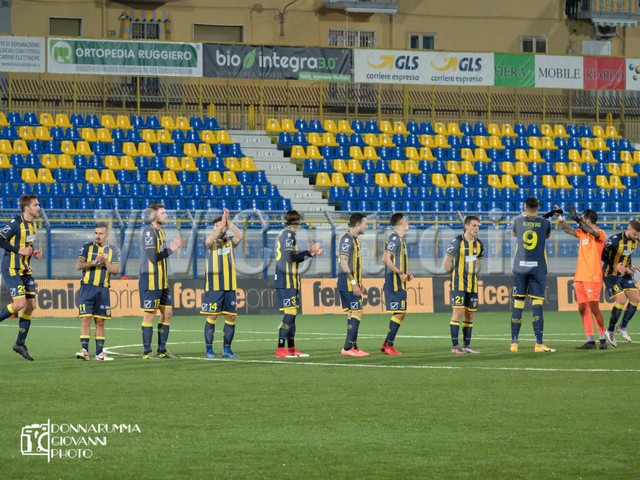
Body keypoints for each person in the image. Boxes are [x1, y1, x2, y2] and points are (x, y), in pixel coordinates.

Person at [556, 206, 607, 349]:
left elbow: (592, 231)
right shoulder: (582, 234)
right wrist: (559, 217)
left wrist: (577, 219)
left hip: (593, 276)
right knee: (582, 308)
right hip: (580, 276)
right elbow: (567, 229)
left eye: (583, 219)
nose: (581, 221)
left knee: (594, 307)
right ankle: (590, 340)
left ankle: (602, 338)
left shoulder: (600, 233)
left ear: (588, 220)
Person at [274, 210, 324, 358]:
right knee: (290, 313)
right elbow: (290, 258)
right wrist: (308, 251)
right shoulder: (289, 235)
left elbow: (293, 258)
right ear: (296, 222)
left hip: (291, 279)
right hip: (286, 280)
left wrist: (310, 254)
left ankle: (291, 348)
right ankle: (280, 348)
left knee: (293, 315)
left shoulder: (286, 235)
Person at [139, 203, 185, 359]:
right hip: (150, 280)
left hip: (162, 280)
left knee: (168, 313)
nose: (166, 215)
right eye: (163, 213)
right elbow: (153, 258)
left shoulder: (161, 232)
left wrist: (171, 249)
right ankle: (147, 352)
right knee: (150, 314)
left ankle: (162, 350)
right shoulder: (148, 232)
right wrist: (171, 249)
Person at [0, 194, 43, 361]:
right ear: (26, 208)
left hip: (25, 270)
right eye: (35, 205)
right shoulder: (15, 223)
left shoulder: (33, 225)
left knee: (31, 305)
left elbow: (27, 245)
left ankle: (19, 344)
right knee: (19, 304)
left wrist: (33, 252)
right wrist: (18, 250)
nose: (39, 207)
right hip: (12, 269)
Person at [510, 197, 555, 353]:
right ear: (538, 207)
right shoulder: (545, 223)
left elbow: (515, 234)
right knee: (537, 305)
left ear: (525, 206)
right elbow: (547, 236)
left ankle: (514, 343)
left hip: (520, 267)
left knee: (518, 303)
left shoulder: (517, 221)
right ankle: (538, 344)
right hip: (538, 268)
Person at [75, 222, 120, 361]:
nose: (98, 236)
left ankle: (99, 354)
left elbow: (116, 271)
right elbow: (79, 265)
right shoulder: (87, 247)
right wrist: (94, 262)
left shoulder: (113, 250)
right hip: (87, 288)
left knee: (100, 321)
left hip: (103, 289)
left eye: (101, 233)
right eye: (96, 233)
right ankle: (84, 350)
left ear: (107, 235)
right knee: (86, 318)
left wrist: (105, 262)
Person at [202, 209, 243, 359]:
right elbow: (208, 241)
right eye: (217, 226)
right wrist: (220, 226)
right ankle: (209, 350)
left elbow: (240, 236)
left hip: (230, 286)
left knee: (231, 317)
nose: (221, 228)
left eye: (223, 226)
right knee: (212, 316)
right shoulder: (209, 240)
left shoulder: (230, 241)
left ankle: (227, 350)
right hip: (214, 286)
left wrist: (229, 222)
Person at [443, 215, 483, 354]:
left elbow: (478, 262)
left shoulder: (479, 244)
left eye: (478, 226)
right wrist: (454, 276)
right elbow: (446, 262)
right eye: (474, 225)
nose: (476, 228)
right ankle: (455, 346)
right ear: (466, 226)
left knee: (470, 314)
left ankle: (467, 345)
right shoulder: (457, 241)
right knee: (458, 312)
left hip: (473, 285)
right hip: (459, 284)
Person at [601, 219, 640, 347]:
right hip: (610, 274)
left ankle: (622, 326)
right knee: (621, 300)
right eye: (634, 234)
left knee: (636, 298)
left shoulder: (636, 241)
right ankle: (610, 330)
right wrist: (615, 265)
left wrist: (631, 266)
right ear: (628, 229)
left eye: (638, 235)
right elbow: (602, 256)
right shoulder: (613, 240)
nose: (636, 237)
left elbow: (628, 255)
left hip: (624, 274)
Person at [380, 212, 413, 356]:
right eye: (406, 220)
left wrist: (405, 274)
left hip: (398, 282)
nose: (408, 222)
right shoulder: (394, 238)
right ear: (401, 223)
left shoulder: (400, 239)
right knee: (400, 313)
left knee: (401, 313)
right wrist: (400, 273)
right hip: (394, 282)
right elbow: (385, 258)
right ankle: (389, 345)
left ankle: (386, 343)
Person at [339, 212, 369, 357]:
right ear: (357, 224)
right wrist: (353, 283)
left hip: (352, 282)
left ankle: (353, 346)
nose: (367, 226)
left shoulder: (355, 240)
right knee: (358, 312)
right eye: (365, 223)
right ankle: (347, 347)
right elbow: (343, 262)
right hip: (347, 283)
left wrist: (359, 283)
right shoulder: (347, 239)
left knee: (353, 313)